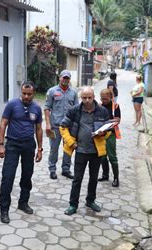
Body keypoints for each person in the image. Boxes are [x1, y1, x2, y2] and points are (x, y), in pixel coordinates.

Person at [0, 81, 43, 224]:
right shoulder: (12, 105)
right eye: (24, 93)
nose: (26, 96)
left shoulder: (37, 108)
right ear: (21, 92)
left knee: (26, 176)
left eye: (29, 94)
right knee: (8, 177)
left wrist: (40, 149)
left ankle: (23, 202)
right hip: (12, 144)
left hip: (29, 145)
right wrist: (0, 145)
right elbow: (3, 123)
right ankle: (4, 209)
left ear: (33, 94)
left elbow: (39, 129)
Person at [59, 87, 110, 216]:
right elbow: (63, 127)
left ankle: (90, 201)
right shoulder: (74, 111)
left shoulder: (102, 111)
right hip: (80, 151)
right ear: (81, 98)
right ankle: (73, 204)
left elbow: (109, 130)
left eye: (89, 97)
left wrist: (104, 133)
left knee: (93, 179)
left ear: (94, 97)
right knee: (77, 179)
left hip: (96, 151)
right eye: (84, 97)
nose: (87, 100)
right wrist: (71, 142)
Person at [44, 69, 79, 180]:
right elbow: (47, 108)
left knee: (68, 148)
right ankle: (52, 170)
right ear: (60, 78)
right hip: (55, 126)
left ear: (69, 79)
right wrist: (48, 124)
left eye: (67, 78)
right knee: (54, 149)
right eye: (63, 77)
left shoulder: (73, 93)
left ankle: (66, 169)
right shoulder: (52, 91)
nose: (65, 80)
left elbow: (77, 110)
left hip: (69, 127)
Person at [97, 89, 122, 187]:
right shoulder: (99, 106)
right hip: (100, 134)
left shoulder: (115, 106)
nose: (104, 101)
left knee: (112, 156)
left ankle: (116, 178)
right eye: (102, 99)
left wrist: (105, 122)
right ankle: (105, 175)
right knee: (102, 156)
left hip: (110, 134)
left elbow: (117, 120)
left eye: (106, 99)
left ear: (111, 97)